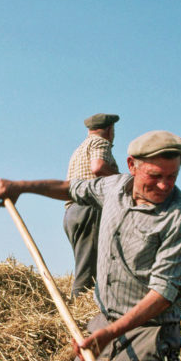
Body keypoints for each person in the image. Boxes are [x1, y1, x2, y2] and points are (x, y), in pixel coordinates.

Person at [0, 130, 181, 361]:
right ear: (131, 165)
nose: (164, 185)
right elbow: (70, 188)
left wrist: (111, 333)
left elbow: (163, 294)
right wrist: (19, 187)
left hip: (150, 331)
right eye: (155, 176)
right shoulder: (113, 187)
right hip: (104, 323)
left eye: (172, 176)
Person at [64, 113, 120, 298]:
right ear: (110, 130)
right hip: (90, 210)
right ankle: (78, 312)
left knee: (85, 262)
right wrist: (121, 180)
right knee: (88, 269)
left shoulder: (79, 149)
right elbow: (98, 167)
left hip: (72, 212)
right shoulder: (100, 143)